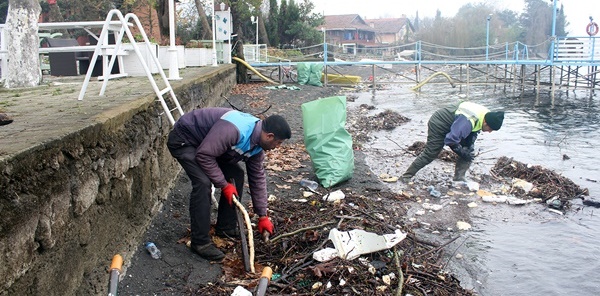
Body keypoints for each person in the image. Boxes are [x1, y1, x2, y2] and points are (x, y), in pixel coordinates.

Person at [167, 107, 291, 261]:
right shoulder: (235, 130)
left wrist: (262, 215)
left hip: (209, 145)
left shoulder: (258, 147)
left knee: (236, 174)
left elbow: (257, 178)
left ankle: (225, 227)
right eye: (278, 142)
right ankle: (200, 243)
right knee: (203, 183)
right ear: (269, 136)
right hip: (185, 139)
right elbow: (204, 155)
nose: (277, 147)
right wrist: (223, 185)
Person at [402, 101, 504, 182]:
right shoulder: (468, 121)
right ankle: (406, 177)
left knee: (468, 151)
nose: (490, 132)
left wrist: (468, 146)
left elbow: (474, 130)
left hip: (456, 124)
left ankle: (459, 178)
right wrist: (461, 152)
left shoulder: (488, 116)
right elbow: (450, 140)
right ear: (486, 122)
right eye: (490, 129)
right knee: (431, 153)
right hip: (440, 123)